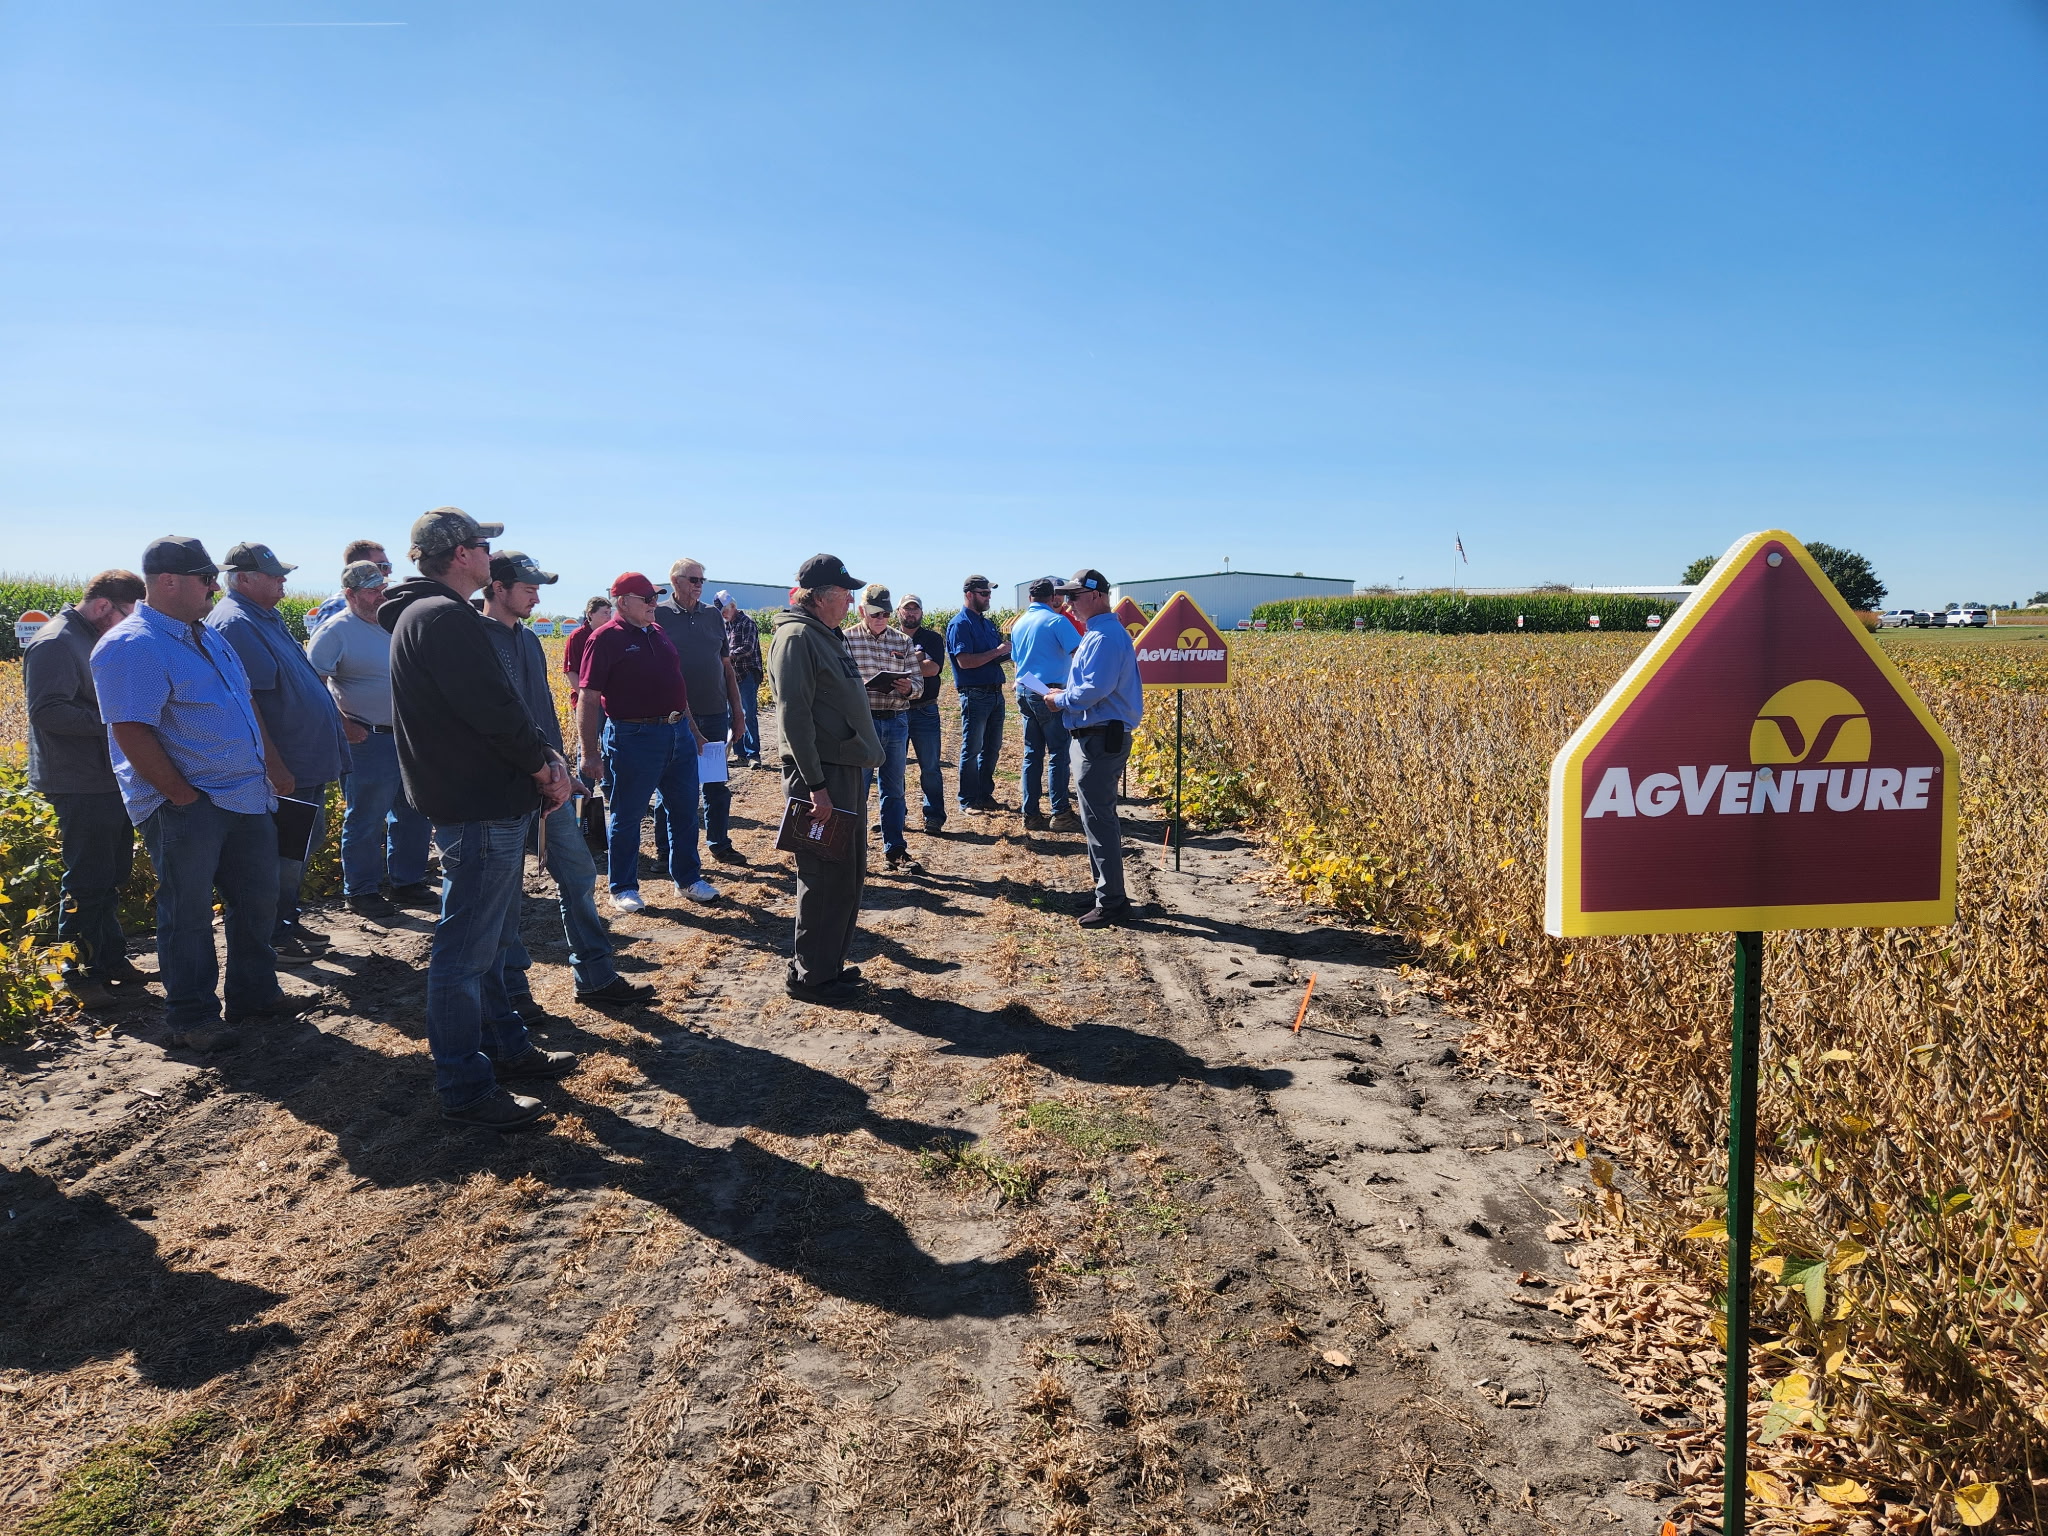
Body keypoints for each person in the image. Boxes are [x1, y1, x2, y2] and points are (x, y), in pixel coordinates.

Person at [383, 507, 576, 1131]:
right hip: (481, 801)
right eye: (483, 547)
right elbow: (493, 709)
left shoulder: (421, 617)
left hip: (471, 800)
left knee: (485, 943)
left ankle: (507, 1047)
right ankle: (465, 1081)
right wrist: (543, 763)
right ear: (462, 554)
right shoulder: (444, 618)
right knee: (465, 951)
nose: (492, 556)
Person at [92, 536, 304, 1052]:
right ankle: (191, 1016)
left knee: (257, 899)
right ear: (167, 581)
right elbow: (131, 731)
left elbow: (245, 704)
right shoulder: (132, 644)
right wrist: (181, 796)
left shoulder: (207, 637)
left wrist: (272, 765)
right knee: (186, 912)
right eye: (205, 577)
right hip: (189, 806)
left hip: (246, 795)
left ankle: (253, 993)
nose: (215, 586)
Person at [480, 552, 655, 1009]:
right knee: (505, 901)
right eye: (528, 587)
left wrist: (561, 767)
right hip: (504, 789)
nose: (538, 595)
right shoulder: (477, 640)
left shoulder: (528, 641)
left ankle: (595, 976)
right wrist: (541, 772)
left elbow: (539, 716)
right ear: (497, 587)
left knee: (578, 876)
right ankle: (514, 997)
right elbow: (492, 725)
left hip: (551, 785)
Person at [207, 542, 351, 961]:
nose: (283, 580)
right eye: (274, 575)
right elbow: (247, 703)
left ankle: (285, 921)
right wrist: (274, 764)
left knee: (297, 847)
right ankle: (274, 933)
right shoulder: (236, 622)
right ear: (244, 579)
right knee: (281, 853)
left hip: (302, 763)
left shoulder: (262, 616)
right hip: (285, 767)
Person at [25, 570, 148, 1009]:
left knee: (110, 872)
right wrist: (116, 721)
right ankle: (75, 973)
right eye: (125, 616)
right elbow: (47, 712)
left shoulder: (86, 637)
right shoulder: (56, 642)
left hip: (103, 777)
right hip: (77, 780)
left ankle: (110, 959)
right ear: (102, 607)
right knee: (87, 877)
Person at [770, 555, 883, 1002]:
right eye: (844, 593)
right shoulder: (797, 637)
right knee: (823, 874)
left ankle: (828, 964)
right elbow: (793, 717)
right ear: (819, 597)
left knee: (847, 873)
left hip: (843, 769)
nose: (851, 600)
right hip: (823, 776)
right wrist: (816, 786)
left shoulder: (823, 636)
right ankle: (812, 975)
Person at [576, 572, 717, 911]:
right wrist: (590, 753)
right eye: (648, 599)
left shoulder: (657, 633)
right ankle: (622, 886)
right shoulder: (605, 638)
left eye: (656, 598)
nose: (655, 604)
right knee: (628, 813)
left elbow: (675, 686)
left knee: (685, 809)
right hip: (633, 736)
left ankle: (687, 879)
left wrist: (693, 731)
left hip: (676, 732)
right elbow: (589, 697)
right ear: (622, 602)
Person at [305, 559, 434, 919]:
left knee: (413, 812)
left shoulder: (395, 623)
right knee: (365, 816)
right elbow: (312, 685)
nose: (381, 595)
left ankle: (406, 881)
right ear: (350, 594)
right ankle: (361, 890)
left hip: (408, 737)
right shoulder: (335, 631)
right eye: (372, 591)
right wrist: (342, 724)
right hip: (366, 739)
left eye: (383, 588)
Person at [1045, 569, 1143, 927]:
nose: (1069, 602)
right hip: (1097, 734)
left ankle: (1113, 901)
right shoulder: (1100, 633)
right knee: (1095, 818)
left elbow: (1092, 690)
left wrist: (1059, 699)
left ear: (1097, 596)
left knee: (1099, 819)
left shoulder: (1104, 637)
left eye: (1074, 596)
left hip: (1100, 736)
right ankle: (1106, 891)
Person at [652, 558, 750, 866]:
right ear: (676, 581)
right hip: (674, 718)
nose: (699, 585)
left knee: (715, 785)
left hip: (713, 714)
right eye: (693, 579)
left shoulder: (712, 615)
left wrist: (738, 712)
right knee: (670, 788)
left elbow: (726, 667)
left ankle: (719, 843)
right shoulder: (659, 615)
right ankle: (665, 852)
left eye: (701, 580)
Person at [841, 584, 925, 874]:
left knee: (894, 789)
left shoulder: (901, 641)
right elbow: (838, 684)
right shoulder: (846, 639)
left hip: (896, 719)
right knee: (858, 790)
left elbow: (918, 684)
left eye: (886, 613)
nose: (881, 618)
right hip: (862, 723)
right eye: (876, 613)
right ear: (863, 611)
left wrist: (908, 687)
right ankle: (854, 851)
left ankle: (895, 850)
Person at [1009, 576, 1083, 833]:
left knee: (1032, 754)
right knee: (1059, 753)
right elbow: (1079, 655)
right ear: (1053, 598)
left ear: (1031, 598)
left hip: (1025, 690)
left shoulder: (1018, 624)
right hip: (1049, 692)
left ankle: (1030, 814)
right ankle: (1060, 812)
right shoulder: (1056, 621)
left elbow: (1016, 661)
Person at [946, 574, 1011, 814]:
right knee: (972, 749)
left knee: (992, 749)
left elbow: (996, 656)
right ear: (969, 594)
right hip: (975, 695)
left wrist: (1011, 652)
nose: (988, 597)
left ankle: (984, 795)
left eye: (989, 593)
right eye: (984, 593)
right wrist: (997, 651)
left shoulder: (986, 623)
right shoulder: (960, 624)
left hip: (994, 693)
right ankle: (967, 799)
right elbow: (965, 662)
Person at [896, 594, 947, 833]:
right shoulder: (890, 638)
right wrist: (917, 659)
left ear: (922, 613)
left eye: (915, 610)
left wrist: (901, 664)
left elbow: (933, 669)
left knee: (930, 767)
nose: (911, 614)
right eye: (907, 610)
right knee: (895, 768)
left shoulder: (933, 638)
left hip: (925, 709)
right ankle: (896, 815)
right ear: (899, 613)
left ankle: (934, 815)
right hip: (896, 710)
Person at [719, 591, 767, 768]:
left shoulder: (747, 623)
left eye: (724, 610)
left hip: (746, 674)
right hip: (732, 675)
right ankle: (740, 755)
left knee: (748, 714)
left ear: (733, 606)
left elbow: (747, 648)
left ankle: (753, 754)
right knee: (732, 714)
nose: (723, 614)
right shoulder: (727, 625)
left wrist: (725, 657)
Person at [305, 538, 392, 632]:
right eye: (383, 566)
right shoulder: (336, 606)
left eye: (388, 566)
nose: (389, 571)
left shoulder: (384, 600)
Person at [563, 595, 612, 714]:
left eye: (610, 613)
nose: (609, 617)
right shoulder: (577, 637)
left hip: (609, 699)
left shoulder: (611, 635)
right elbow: (571, 671)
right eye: (605, 613)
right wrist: (587, 698)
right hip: (586, 699)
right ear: (591, 614)